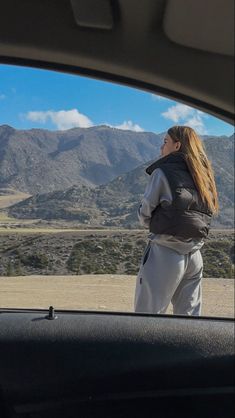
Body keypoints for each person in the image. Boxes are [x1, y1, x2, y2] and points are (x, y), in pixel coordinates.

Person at [134, 125, 218, 316]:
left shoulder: (162, 172)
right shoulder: (204, 176)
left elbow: (145, 213)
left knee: (147, 320)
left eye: (165, 142)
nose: (161, 148)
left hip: (166, 252)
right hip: (195, 255)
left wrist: (153, 224)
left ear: (177, 145)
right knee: (188, 320)